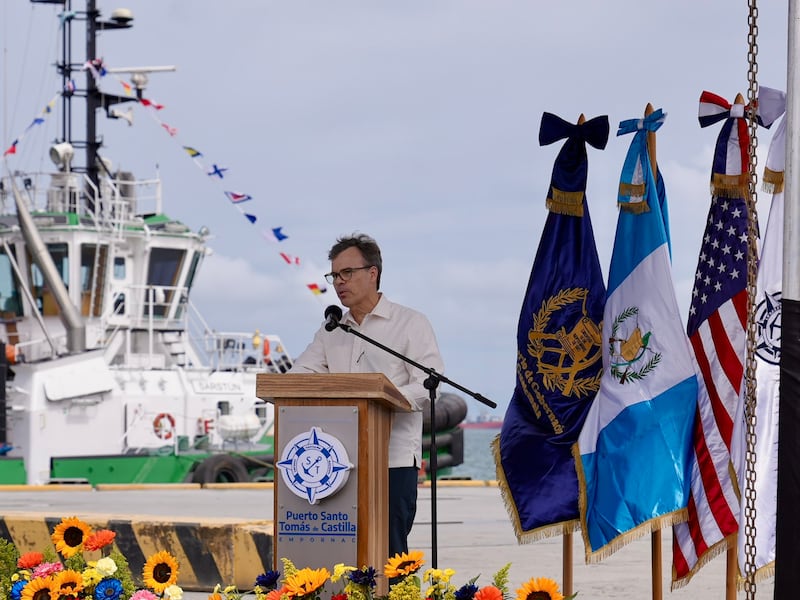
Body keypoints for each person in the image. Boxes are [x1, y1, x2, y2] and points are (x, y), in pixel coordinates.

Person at [291, 233, 444, 560]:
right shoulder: (332, 330)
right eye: (334, 275)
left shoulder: (409, 323)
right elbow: (298, 376)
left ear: (372, 273)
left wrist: (380, 397)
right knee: (342, 556)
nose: (338, 283)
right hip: (337, 462)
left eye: (346, 273)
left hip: (392, 460)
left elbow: (429, 384)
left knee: (389, 556)